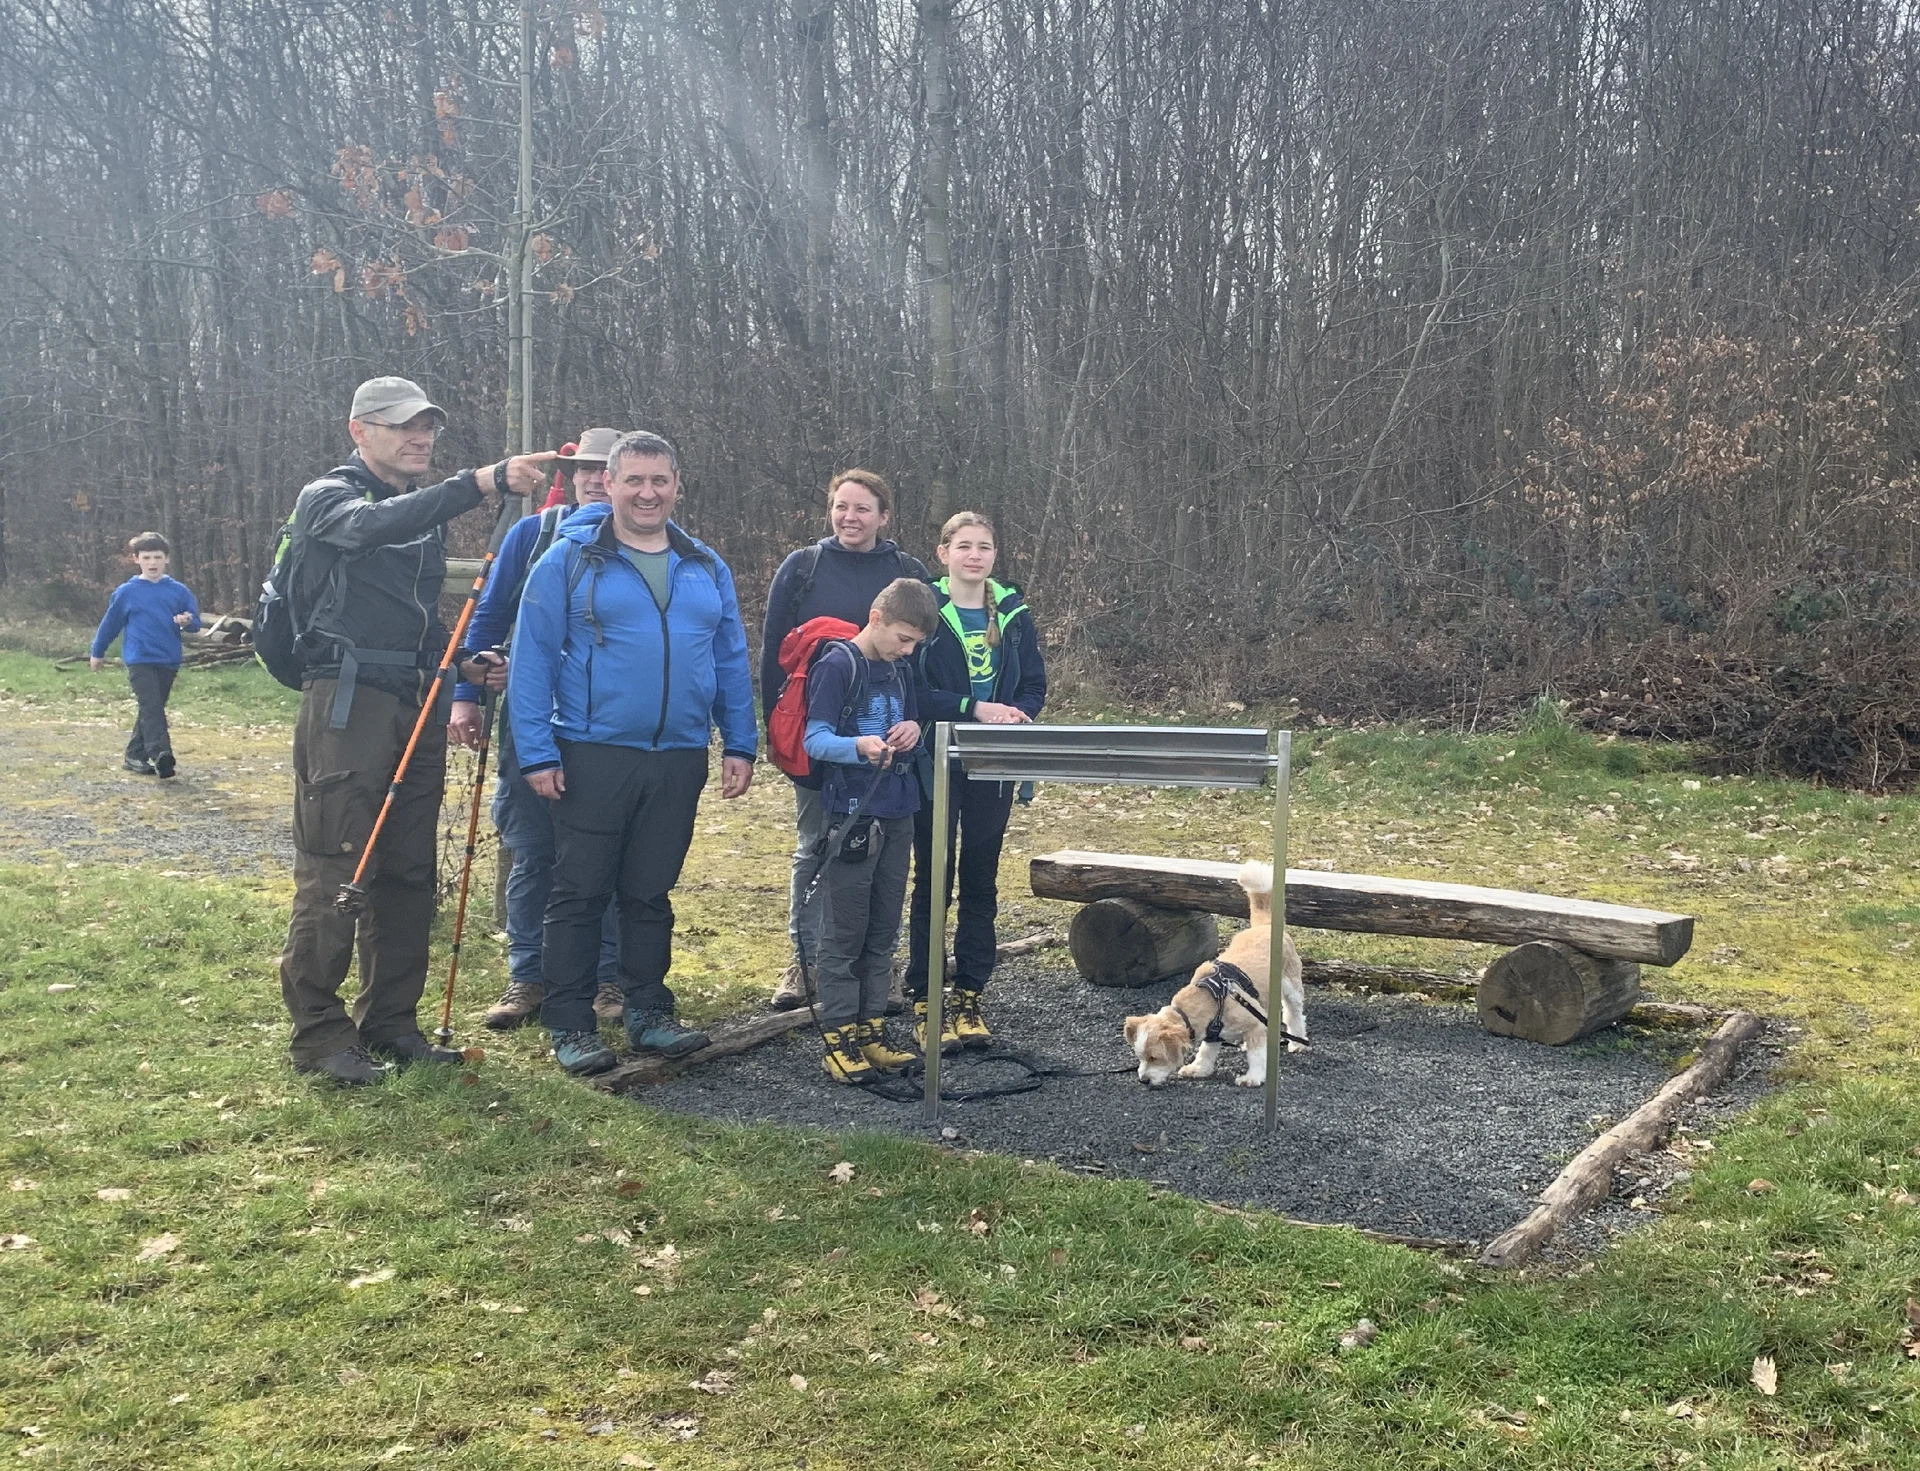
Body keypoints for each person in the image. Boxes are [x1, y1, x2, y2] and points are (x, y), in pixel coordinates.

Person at [277, 375, 555, 1086]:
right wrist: (482, 482)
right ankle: (318, 1037)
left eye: (427, 424)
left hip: (417, 698)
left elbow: (419, 617)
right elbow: (372, 529)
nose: (419, 435)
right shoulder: (331, 497)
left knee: (408, 868)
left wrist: (463, 661)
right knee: (339, 861)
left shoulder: (421, 516)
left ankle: (391, 1024)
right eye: (402, 424)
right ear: (359, 430)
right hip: (347, 701)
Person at [508, 430, 758, 1077]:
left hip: (678, 755)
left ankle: (649, 1011)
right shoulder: (570, 560)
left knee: (650, 892)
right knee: (580, 890)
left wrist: (740, 740)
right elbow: (531, 660)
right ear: (610, 485)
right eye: (634, 481)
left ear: (677, 485)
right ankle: (569, 1020)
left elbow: (730, 657)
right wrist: (536, 751)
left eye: (659, 481)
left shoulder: (705, 565)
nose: (647, 493)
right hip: (591, 751)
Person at [445, 427, 628, 1032]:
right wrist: (467, 695)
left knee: (608, 855)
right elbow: (487, 620)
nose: (597, 480)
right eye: (587, 471)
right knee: (531, 851)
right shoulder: (531, 536)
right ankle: (528, 976)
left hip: (611, 732)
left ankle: (606, 977)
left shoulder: (651, 545)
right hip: (530, 725)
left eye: (609, 470)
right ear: (570, 478)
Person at [760, 470, 930, 1012]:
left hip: (889, 752)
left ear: (884, 517)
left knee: (882, 859)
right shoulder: (803, 569)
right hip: (823, 743)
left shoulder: (906, 573)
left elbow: (919, 665)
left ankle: (877, 967)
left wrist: (914, 724)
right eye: (840, 507)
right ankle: (805, 962)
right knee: (817, 847)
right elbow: (772, 659)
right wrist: (779, 736)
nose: (849, 517)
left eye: (862, 509)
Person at [905, 512, 1048, 1053]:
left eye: (984, 547)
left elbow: (1033, 683)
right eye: (963, 545)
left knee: (981, 879)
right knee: (934, 880)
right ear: (943, 552)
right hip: (934, 762)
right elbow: (912, 690)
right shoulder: (924, 608)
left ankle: (969, 995)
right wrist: (973, 707)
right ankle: (925, 995)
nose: (974, 555)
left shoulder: (1013, 611)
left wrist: (1018, 715)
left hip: (993, 765)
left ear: (994, 555)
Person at [802, 577, 939, 1085]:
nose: (907, 651)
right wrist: (857, 746)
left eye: (915, 645)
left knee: (883, 928)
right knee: (845, 931)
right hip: (852, 816)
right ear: (876, 618)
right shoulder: (839, 665)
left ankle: (871, 1028)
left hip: (898, 810)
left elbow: (910, 724)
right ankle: (838, 1032)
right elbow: (814, 738)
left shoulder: (899, 671)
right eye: (903, 639)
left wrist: (912, 731)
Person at [89, 532, 201, 778]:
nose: (152, 562)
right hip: (139, 657)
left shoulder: (178, 591)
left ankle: (134, 755)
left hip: (169, 658)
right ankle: (161, 754)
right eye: (147, 557)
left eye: (157, 557)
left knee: (153, 707)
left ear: (166, 560)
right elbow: (110, 624)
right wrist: (97, 652)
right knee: (151, 706)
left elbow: (195, 623)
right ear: (136, 559)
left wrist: (187, 620)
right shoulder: (127, 592)